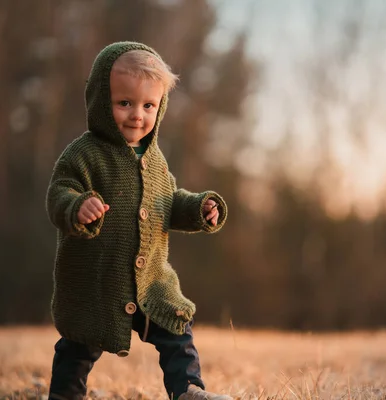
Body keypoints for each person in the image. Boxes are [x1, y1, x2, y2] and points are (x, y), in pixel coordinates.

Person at [45, 41, 232, 400]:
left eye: (148, 105)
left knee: (178, 334)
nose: (137, 115)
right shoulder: (84, 154)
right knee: (76, 350)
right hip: (97, 284)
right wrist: (77, 207)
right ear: (101, 101)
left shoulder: (156, 160)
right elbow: (59, 194)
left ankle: (188, 390)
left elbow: (169, 202)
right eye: (124, 103)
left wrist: (199, 209)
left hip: (151, 283)